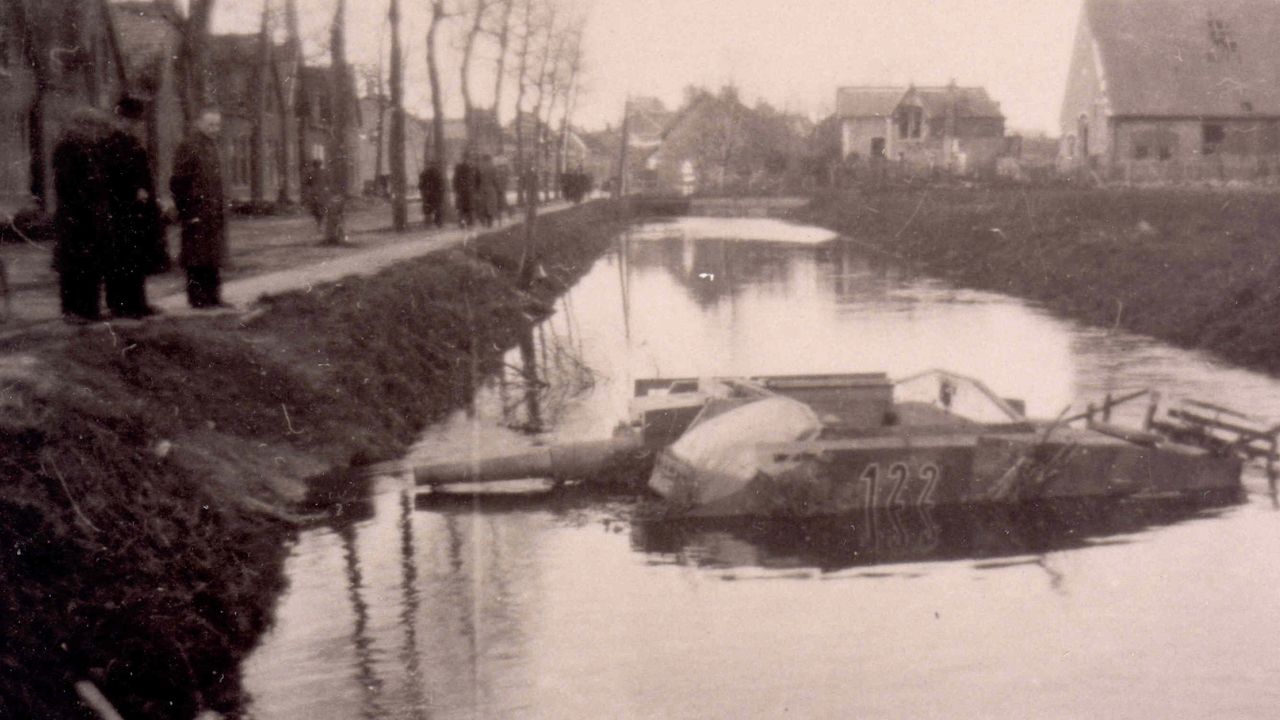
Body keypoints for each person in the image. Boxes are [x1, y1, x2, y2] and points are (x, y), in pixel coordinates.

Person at [101, 95, 165, 318]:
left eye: (136, 121)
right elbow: (110, 179)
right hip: (119, 211)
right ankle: (119, 305)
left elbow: (144, 175)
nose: (132, 125)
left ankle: (138, 302)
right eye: (129, 120)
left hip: (138, 212)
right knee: (120, 260)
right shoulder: (110, 144)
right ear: (120, 119)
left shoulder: (135, 144)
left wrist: (149, 195)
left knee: (137, 258)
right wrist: (132, 191)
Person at [51, 107, 113, 322]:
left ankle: (90, 308)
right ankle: (73, 310)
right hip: (74, 216)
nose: (95, 131)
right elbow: (68, 185)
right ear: (80, 126)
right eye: (91, 126)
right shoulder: (67, 149)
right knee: (74, 265)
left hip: (91, 215)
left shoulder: (91, 148)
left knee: (92, 263)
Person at [170, 110, 228, 309]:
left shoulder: (214, 147)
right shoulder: (189, 146)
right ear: (199, 124)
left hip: (212, 212)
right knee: (196, 257)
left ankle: (213, 296)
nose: (214, 129)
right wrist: (188, 212)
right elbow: (179, 182)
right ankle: (197, 297)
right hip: (197, 211)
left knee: (212, 255)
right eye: (210, 124)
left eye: (217, 125)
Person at [452, 153, 476, 228]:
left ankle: (462, 223)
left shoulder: (458, 169)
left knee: (461, 208)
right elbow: (472, 180)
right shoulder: (470, 168)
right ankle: (470, 223)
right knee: (469, 207)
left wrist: (455, 189)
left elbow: (455, 180)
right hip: (468, 190)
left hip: (461, 190)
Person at [418, 160, 444, 228]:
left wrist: (423, 191)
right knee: (437, 208)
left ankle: (428, 223)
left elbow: (420, 185)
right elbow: (441, 184)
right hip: (435, 194)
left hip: (428, 194)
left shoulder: (424, 173)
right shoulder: (437, 173)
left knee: (428, 209)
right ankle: (438, 223)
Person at [301, 159, 326, 229]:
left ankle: (319, 223)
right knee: (320, 208)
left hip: (315, 193)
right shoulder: (323, 172)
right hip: (321, 193)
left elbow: (306, 183)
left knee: (316, 209)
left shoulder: (311, 173)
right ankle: (320, 223)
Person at [476, 154, 498, 228]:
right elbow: (495, 179)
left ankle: (483, 221)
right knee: (490, 205)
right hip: (490, 188)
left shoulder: (480, 167)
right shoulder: (493, 167)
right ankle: (490, 222)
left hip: (481, 188)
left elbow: (477, 179)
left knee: (482, 205)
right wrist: (497, 187)